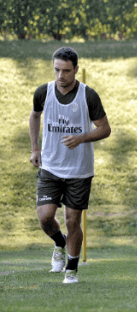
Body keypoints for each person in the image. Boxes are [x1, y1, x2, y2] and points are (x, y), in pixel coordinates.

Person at [29, 47, 111, 284]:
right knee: (45, 218)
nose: (60, 76)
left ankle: (71, 270)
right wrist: (35, 148)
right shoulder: (44, 92)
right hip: (50, 167)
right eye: (56, 70)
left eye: (66, 71)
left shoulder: (88, 95)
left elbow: (105, 129)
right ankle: (60, 244)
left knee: (72, 220)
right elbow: (34, 116)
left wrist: (81, 138)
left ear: (76, 69)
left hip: (79, 170)